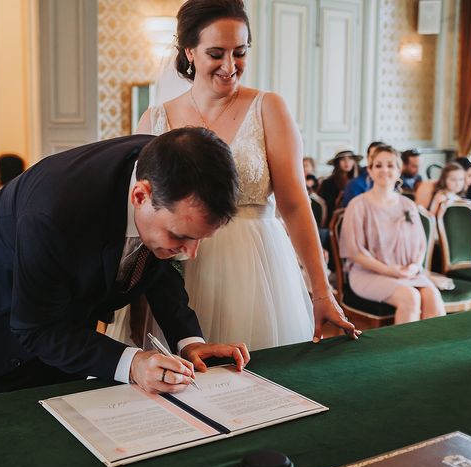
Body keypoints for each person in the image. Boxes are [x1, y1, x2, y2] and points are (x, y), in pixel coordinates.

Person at [0, 128, 251, 397]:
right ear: (141, 196)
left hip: (60, 310)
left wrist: (189, 341)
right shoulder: (57, 210)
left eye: (199, 239)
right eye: (180, 236)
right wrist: (134, 363)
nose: (189, 253)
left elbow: (156, 261)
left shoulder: (167, 171)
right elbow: (37, 327)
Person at [111, 0, 358, 350]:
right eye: (216, 53)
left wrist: (321, 290)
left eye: (240, 52)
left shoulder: (269, 108)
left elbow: (295, 205)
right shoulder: (155, 120)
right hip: (179, 271)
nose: (230, 66)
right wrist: (134, 297)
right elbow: (141, 216)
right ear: (190, 52)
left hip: (255, 272)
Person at [339, 145, 446, 324]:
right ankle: (405, 352)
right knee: (410, 297)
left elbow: (421, 244)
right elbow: (355, 252)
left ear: (398, 171)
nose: (384, 170)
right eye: (378, 165)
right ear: (370, 171)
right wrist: (390, 271)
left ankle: (432, 350)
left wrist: (414, 266)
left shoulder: (408, 205)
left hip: (406, 272)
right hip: (368, 274)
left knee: (432, 295)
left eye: (390, 165)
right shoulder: (358, 205)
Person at [318, 149, 361, 224]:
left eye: (350, 158)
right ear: (337, 162)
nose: (347, 162)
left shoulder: (361, 182)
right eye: (343, 159)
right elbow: (327, 209)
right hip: (335, 223)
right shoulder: (327, 183)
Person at [341, 141, 386, 207]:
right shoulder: (355, 184)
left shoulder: (394, 181)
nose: (378, 159)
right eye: (373, 156)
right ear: (368, 158)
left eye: (382, 156)